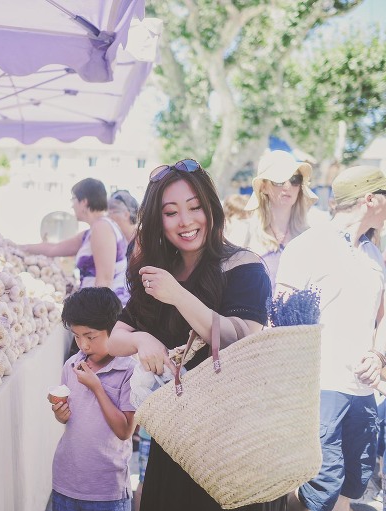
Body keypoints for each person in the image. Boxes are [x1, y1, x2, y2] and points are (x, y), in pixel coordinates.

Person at [106, 158, 278, 511]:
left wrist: (177, 295)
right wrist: (142, 339)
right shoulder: (155, 271)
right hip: (176, 442)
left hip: (232, 443)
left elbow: (240, 338)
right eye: (171, 212)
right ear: (158, 219)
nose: (185, 221)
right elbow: (114, 337)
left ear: (210, 208)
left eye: (195, 207)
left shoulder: (243, 266)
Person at [276, 165, 386, 511]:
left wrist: (379, 356)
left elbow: (382, 316)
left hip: (362, 391)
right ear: (370, 199)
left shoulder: (374, 254)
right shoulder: (309, 245)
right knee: (319, 486)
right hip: (318, 390)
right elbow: (280, 316)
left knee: (352, 486)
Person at [51, 286, 136, 511]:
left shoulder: (128, 370)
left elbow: (125, 430)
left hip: (106, 491)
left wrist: (97, 388)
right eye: (77, 337)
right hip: (66, 482)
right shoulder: (71, 365)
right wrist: (61, 414)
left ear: (114, 330)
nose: (84, 345)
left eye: (91, 337)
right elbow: (69, 419)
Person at [22, 178, 129, 305]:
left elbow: (105, 281)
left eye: (73, 199)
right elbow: (54, 249)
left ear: (84, 202)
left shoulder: (102, 228)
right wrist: (20, 248)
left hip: (105, 313)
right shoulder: (93, 230)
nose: (72, 205)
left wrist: (93, 319)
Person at [244, 150, 318, 290]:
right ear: (264, 187)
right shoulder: (245, 232)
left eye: (295, 180)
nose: (287, 186)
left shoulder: (309, 235)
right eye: (279, 180)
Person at [108, 189, 140, 258]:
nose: (108, 216)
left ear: (126, 214)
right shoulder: (115, 241)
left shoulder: (142, 241)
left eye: (112, 212)